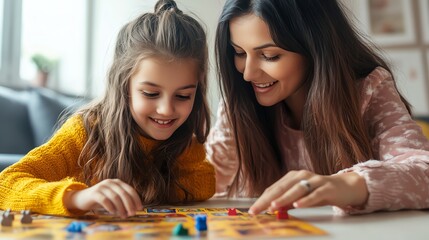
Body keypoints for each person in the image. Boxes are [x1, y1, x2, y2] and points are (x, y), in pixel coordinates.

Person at [206, 0, 429, 215]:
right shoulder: (240, 104)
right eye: (239, 53)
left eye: (269, 56)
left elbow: (424, 172)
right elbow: (205, 177)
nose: (248, 74)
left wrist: (347, 184)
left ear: (313, 47)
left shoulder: (369, 89)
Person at [0, 0, 215, 218]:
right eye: (150, 93)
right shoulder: (86, 131)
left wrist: (147, 188)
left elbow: (204, 182)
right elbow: (6, 184)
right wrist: (77, 198)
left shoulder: (183, 136)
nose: (166, 110)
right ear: (123, 85)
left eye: (183, 96)